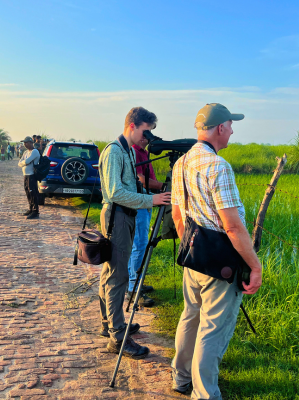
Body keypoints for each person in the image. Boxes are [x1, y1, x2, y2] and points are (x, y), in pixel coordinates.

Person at [170, 103, 263, 399]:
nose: (233, 131)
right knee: (212, 330)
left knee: (190, 317)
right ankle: (205, 394)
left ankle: (181, 378)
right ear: (221, 127)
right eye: (231, 126)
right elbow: (233, 227)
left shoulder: (181, 163)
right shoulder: (219, 166)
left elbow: (176, 214)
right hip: (220, 264)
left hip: (192, 256)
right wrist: (255, 267)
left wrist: (193, 250)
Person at [98, 107, 171, 359]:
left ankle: (109, 324)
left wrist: (147, 195)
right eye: (145, 132)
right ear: (132, 125)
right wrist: (151, 200)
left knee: (110, 272)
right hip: (117, 216)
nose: (147, 138)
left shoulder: (128, 150)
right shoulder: (115, 151)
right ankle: (118, 336)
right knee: (117, 275)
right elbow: (115, 192)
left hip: (124, 215)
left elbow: (130, 186)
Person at [126, 136, 165, 307]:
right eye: (145, 134)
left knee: (139, 243)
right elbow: (140, 178)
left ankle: (134, 281)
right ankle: (133, 288)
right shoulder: (133, 151)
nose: (147, 139)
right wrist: (163, 186)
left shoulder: (144, 152)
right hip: (140, 202)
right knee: (139, 244)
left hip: (146, 199)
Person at [17, 136, 41, 219]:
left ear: (31, 142)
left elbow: (27, 161)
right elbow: (19, 163)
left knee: (33, 193)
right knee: (28, 192)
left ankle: (35, 211)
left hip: (31, 175)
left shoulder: (34, 151)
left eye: (26, 142)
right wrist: (24, 163)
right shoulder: (26, 152)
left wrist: (24, 162)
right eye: (24, 143)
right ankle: (30, 209)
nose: (25, 144)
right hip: (25, 175)